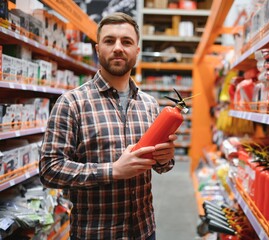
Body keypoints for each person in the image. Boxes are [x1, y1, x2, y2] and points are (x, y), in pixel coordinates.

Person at [39, 12, 177, 240]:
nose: (118, 48)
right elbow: (49, 170)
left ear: (137, 51)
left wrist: (164, 158)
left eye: (127, 41)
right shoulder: (72, 103)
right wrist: (112, 171)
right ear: (97, 49)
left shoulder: (150, 105)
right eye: (109, 40)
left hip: (144, 230)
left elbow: (162, 166)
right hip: (95, 233)